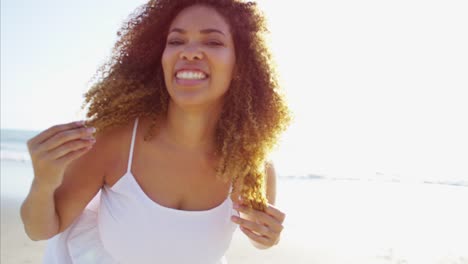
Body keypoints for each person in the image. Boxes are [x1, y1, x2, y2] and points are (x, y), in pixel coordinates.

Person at [20, 0, 291, 263]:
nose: (190, 52)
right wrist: (43, 183)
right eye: (176, 41)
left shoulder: (250, 163)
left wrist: (268, 238)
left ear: (240, 66)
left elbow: (258, 235)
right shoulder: (113, 141)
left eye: (213, 42)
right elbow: (41, 229)